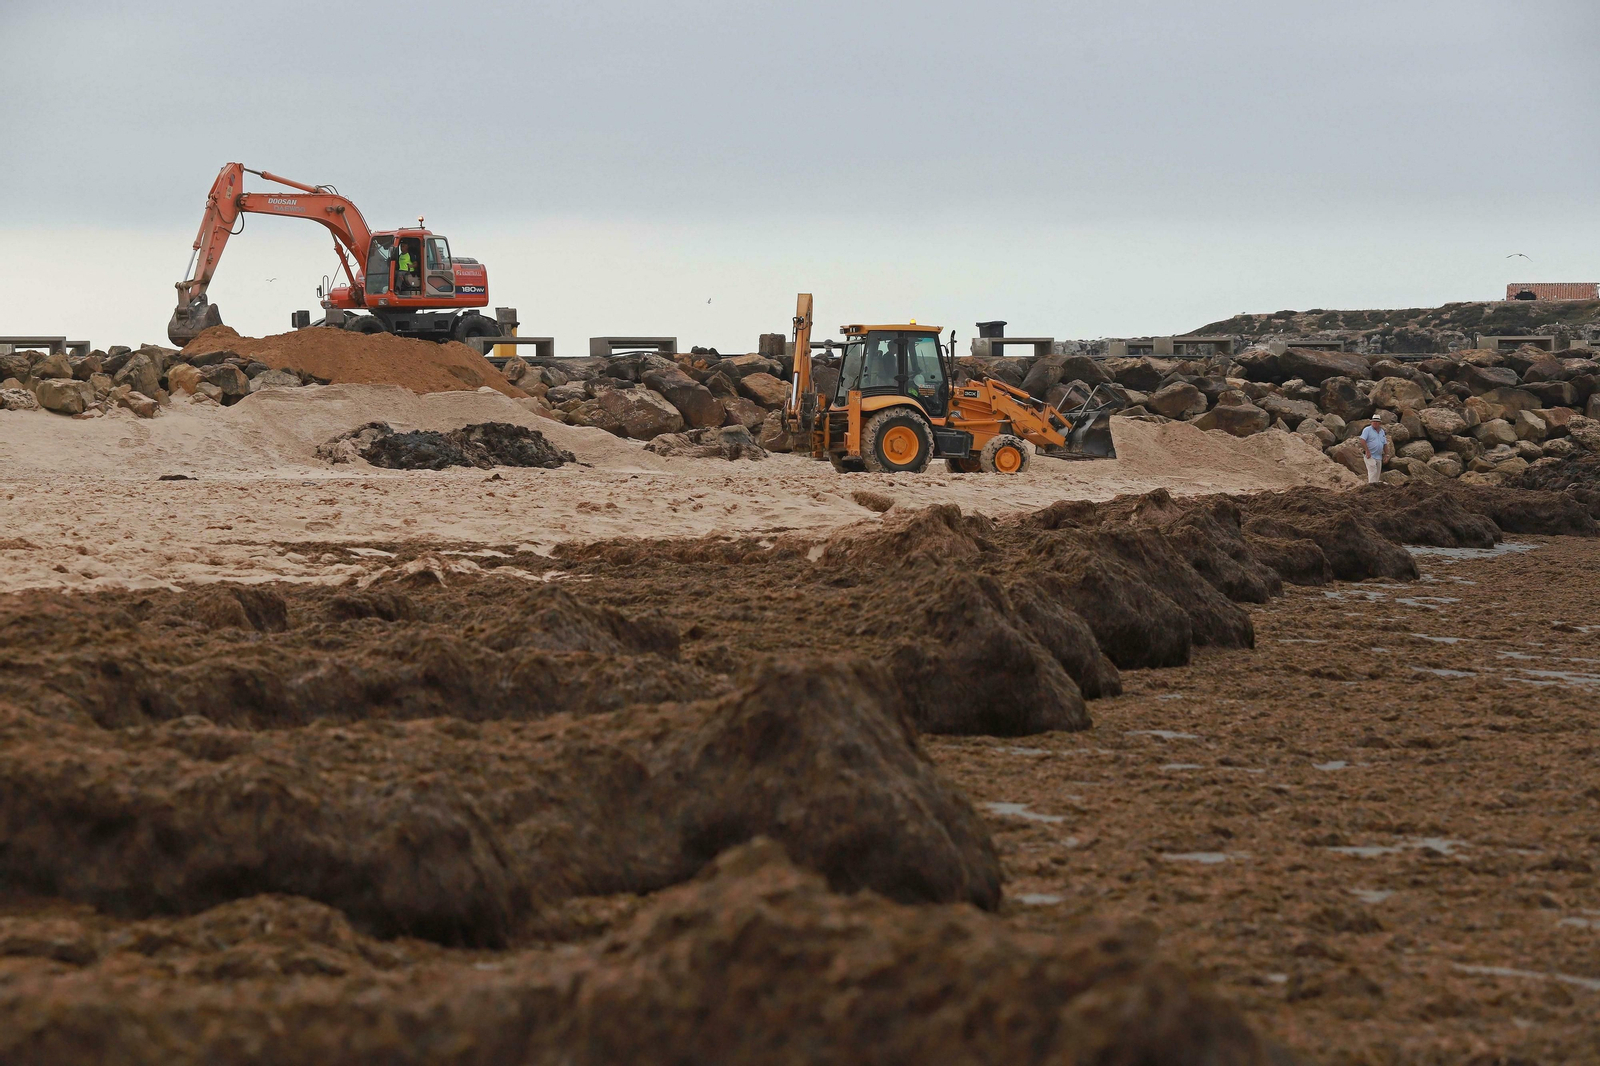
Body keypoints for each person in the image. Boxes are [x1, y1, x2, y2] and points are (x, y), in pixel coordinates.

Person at [1358, 414, 1389, 485]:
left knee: (1377, 474)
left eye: (1377, 421)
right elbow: (1362, 440)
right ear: (1371, 422)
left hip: (1378, 456)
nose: (1375, 423)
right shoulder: (1367, 430)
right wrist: (1367, 451)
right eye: (1374, 421)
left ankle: (1375, 489)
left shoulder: (1382, 432)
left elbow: (1385, 444)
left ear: (1380, 423)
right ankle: (1371, 487)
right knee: (1373, 471)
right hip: (1370, 455)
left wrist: (1387, 454)